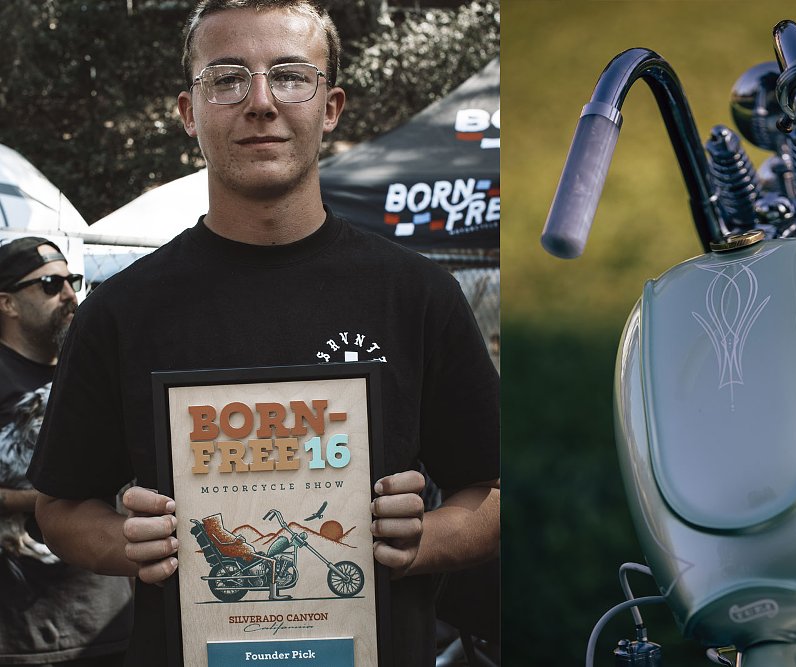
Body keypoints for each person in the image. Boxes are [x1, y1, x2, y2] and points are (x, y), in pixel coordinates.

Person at [26, 2, 499, 666]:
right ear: (189, 112)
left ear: (330, 106)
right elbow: (59, 505)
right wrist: (122, 539)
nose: (260, 102)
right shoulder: (121, 311)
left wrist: (429, 536)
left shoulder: (419, 295)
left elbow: (496, 489)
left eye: (289, 75)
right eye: (226, 78)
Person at [0, 236, 133, 666]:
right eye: (50, 284)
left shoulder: (91, 368)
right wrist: (53, 499)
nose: (70, 294)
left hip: (107, 617)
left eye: (72, 280)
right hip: (22, 631)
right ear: (7, 303)